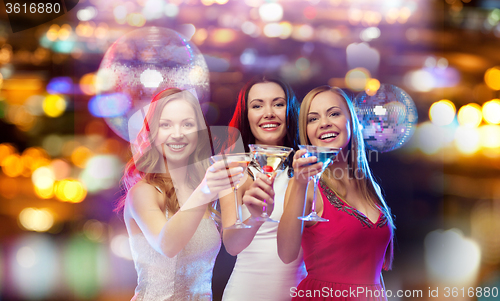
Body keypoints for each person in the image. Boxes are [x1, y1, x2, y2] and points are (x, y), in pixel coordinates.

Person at [116, 88, 245, 300]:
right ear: (152, 133)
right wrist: (205, 190)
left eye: (187, 124)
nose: (178, 134)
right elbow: (167, 246)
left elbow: (235, 246)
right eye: (166, 125)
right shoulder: (143, 192)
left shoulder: (204, 189)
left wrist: (257, 213)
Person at [277, 86, 395, 301]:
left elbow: (374, 272)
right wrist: (300, 184)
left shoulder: (371, 188)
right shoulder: (307, 187)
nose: (324, 123)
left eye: (334, 113)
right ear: (307, 132)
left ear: (351, 121)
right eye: (313, 119)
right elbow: (286, 253)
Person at [220, 77, 306, 301]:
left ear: (291, 111)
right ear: (246, 115)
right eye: (257, 105)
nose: (269, 113)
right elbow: (231, 245)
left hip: (302, 293)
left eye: (278, 104)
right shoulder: (234, 168)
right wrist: (256, 218)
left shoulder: (307, 167)